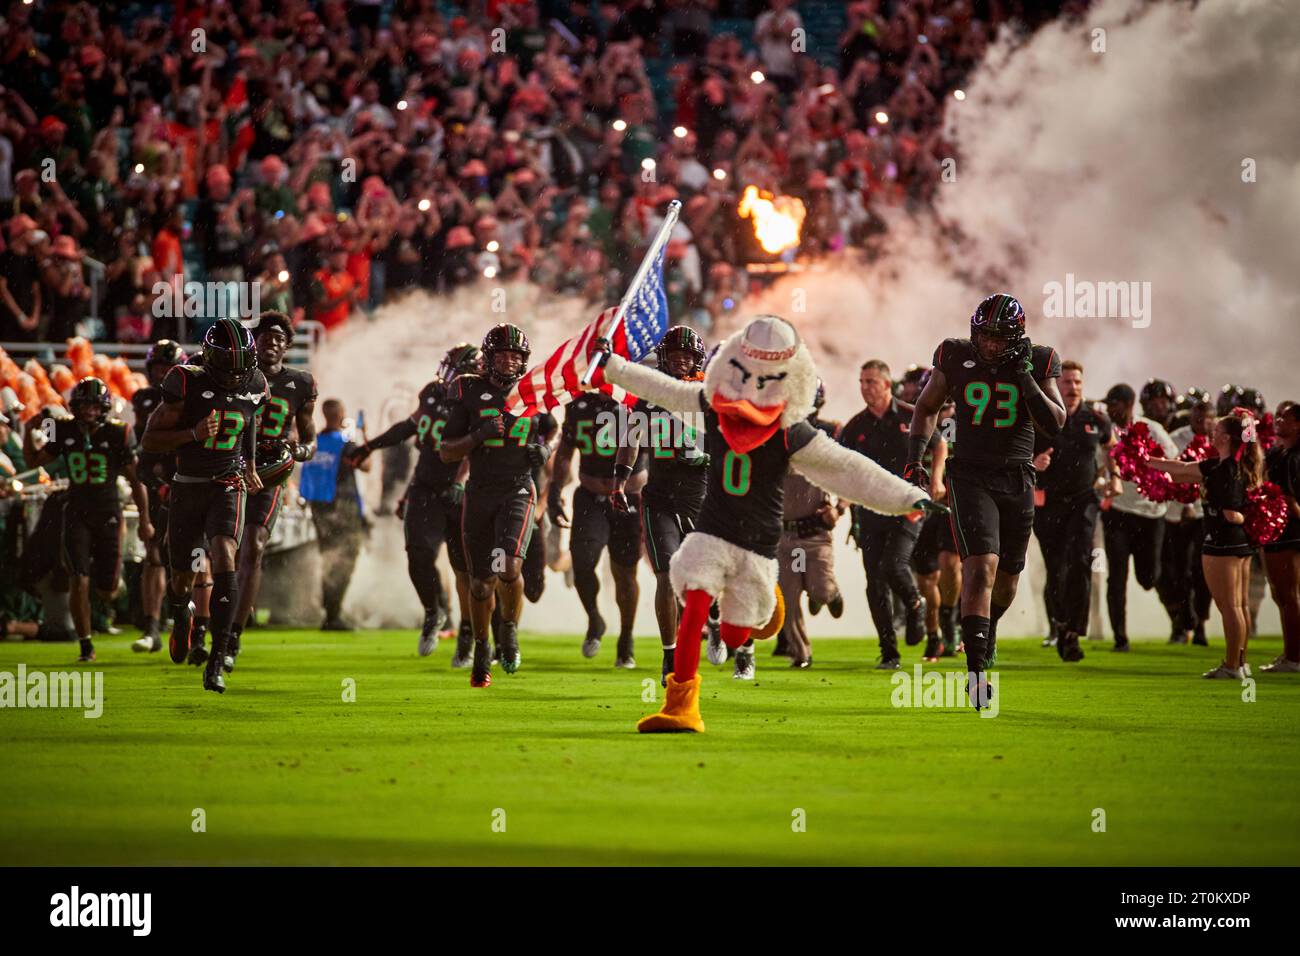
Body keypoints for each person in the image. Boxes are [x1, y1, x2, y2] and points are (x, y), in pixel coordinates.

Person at [908, 293, 1065, 707]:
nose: (990, 344)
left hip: (1017, 477)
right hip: (970, 474)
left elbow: (1055, 423)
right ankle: (976, 674)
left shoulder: (1039, 360)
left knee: (1008, 578)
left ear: (1017, 336)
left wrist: (1026, 378)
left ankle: (988, 627)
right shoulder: (954, 355)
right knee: (980, 569)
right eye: (984, 335)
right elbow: (926, 406)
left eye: (999, 337)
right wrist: (914, 459)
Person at [142, 318, 268, 693]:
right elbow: (150, 440)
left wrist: (249, 465)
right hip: (188, 485)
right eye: (228, 365)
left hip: (226, 482)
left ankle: (217, 660)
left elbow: (249, 424)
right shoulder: (186, 379)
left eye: (241, 364)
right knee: (181, 577)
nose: (235, 375)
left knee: (225, 553)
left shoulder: (257, 382)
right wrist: (192, 434)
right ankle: (181, 614)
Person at [348, 343, 479, 662]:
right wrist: (371, 446)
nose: (447, 376)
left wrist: (460, 480)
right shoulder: (433, 392)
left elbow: (476, 449)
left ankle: (467, 632)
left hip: (460, 491)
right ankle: (433, 611)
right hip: (425, 485)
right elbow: (409, 427)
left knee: (464, 569)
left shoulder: (479, 398)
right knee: (418, 555)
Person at [438, 324, 548, 687]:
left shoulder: (533, 390)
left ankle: (510, 630)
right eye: (501, 354)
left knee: (510, 568)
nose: (508, 360)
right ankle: (483, 647)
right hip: (481, 491)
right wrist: (479, 435)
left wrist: (543, 449)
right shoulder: (469, 390)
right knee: (482, 584)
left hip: (517, 489)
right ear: (488, 358)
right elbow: (446, 450)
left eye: (515, 355)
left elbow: (550, 428)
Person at [23, 378, 149, 662]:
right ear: (75, 407)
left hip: (108, 515)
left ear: (103, 408)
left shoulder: (119, 432)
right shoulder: (64, 428)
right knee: (78, 578)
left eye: (94, 407)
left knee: (107, 590)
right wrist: (30, 430)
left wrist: (145, 519)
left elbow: (136, 479)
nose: (89, 412)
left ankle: (105, 591)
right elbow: (33, 463)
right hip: (77, 512)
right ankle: (85, 644)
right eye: (84, 406)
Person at [626, 327, 715, 685]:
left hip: (701, 496)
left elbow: (731, 444)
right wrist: (621, 477)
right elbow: (631, 439)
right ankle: (669, 653)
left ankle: (716, 622)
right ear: (663, 358)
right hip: (659, 494)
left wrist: (705, 456)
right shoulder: (650, 395)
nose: (681, 361)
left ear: (698, 360)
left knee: (702, 578)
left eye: (687, 356)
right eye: (674, 355)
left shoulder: (709, 396)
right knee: (665, 574)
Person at [1147, 410, 1265, 679]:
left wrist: (1230, 513)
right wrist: (1146, 460)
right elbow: (1181, 471)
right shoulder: (1230, 465)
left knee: (1230, 607)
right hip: (1239, 546)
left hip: (1222, 544)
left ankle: (1232, 666)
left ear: (1225, 438)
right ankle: (1240, 661)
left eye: (1217, 430)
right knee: (1239, 605)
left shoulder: (1224, 470)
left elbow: (1232, 512)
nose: (1212, 433)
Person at [231, 312, 317, 669]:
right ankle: (199, 617)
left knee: (253, 545)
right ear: (256, 341)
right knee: (216, 549)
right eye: (267, 336)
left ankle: (233, 633)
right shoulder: (239, 377)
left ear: (288, 345)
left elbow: (309, 438)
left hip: (270, 473)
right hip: (230, 468)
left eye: (280, 338)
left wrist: (300, 451)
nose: (273, 342)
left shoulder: (300, 383)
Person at [842, 359, 941, 668]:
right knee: (874, 581)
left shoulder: (912, 416)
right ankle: (889, 651)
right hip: (869, 510)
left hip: (907, 505)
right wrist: (841, 501)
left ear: (886, 384)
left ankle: (914, 603)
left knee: (893, 565)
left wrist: (935, 479)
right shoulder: (855, 426)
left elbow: (939, 446)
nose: (865, 388)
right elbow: (842, 468)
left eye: (871, 381)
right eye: (861, 382)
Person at [549, 389, 646, 667]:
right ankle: (594, 617)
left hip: (630, 497)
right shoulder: (580, 404)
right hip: (591, 496)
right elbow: (566, 451)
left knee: (625, 571)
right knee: (582, 561)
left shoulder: (634, 401)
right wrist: (556, 489)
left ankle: (626, 639)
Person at [1031, 360, 1114, 662]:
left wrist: (1112, 476)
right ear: (1055, 385)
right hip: (1049, 501)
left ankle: (1072, 633)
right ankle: (1060, 622)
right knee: (1057, 567)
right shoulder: (1041, 417)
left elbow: (1112, 447)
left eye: (1077, 382)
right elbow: (1018, 451)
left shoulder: (1096, 418)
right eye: (1067, 382)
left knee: (1081, 559)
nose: (1073, 387)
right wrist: (1034, 462)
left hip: (1084, 498)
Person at [1102, 383, 1178, 651]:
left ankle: (1180, 615)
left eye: (1114, 404)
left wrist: (1148, 463)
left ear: (1128, 404)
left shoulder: (1152, 429)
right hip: (1118, 512)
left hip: (1150, 512)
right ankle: (1120, 638)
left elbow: (1174, 459)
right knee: (1116, 575)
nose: (1110, 409)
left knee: (1149, 577)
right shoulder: (1105, 429)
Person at [778, 381, 845, 669]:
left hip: (815, 532)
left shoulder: (830, 433)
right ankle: (801, 653)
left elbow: (851, 472)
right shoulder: (774, 435)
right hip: (788, 532)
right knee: (790, 598)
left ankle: (830, 593)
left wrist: (840, 509)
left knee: (819, 591)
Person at [129, 339, 186, 653]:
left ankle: (193, 621)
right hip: (156, 482)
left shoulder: (195, 395)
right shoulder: (145, 399)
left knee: (193, 560)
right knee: (153, 558)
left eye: (169, 367)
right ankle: (152, 627)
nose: (164, 374)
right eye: (159, 368)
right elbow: (146, 446)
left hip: (188, 483)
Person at [299, 399, 369, 632]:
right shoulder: (344, 444)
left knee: (329, 558)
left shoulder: (315, 443)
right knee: (344, 560)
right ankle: (333, 613)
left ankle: (330, 610)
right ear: (340, 414)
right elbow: (366, 465)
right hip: (344, 509)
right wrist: (364, 436)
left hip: (320, 509)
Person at [1166, 397, 1215, 647]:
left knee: (1202, 571)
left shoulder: (1220, 440)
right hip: (1180, 514)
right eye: (1197, 417)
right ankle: (1184, 620)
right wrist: (1184, 504)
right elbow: (1173, 473)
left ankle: (1201, 624)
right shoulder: (1176, 438)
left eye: (1207, 419)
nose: (1202, 423)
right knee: (1180, 571)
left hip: (1207, 514)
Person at [1260, 402, 1300, 673]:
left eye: (1284, 416)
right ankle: (1290, 653)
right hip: (1273, 529)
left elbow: (1294, 502)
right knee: (1279, 594)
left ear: (1298, 424)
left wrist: (1273, 498)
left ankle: (1295, 657)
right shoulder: (1275, 452)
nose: (1278, 420)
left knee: (1288, 594)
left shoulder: (1295, 457)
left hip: (1289, 531)